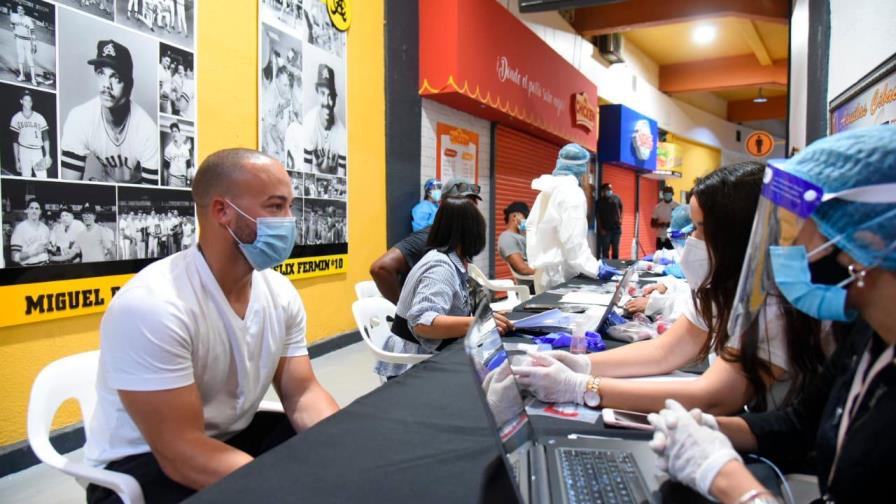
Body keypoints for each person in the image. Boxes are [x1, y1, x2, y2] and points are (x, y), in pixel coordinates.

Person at [648, 126, 896, 504]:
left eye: (796, 231)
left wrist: (725, 477)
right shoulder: (866, 334)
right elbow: (797, 425)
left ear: (865, 240)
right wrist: (706, 428)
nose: (783, 248)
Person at [84, 149, 339, 503]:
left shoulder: (279, 293)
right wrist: (279, 488)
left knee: (322, 450)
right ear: (223, 211)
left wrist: (344, 450)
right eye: (276, 206)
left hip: (224, 438)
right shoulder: (153, 305)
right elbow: (181, 451)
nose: (289, 221)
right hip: (143, 465)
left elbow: (303, 393)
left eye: (290, 207)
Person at [513, 162, 828, 415]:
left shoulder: (775, 304)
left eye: (700, 229)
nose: (691, 240)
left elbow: (716, 397)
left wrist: (582, 387)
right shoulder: (722, 288)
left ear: (737, 234)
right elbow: (665, 350)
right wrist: (584, 364)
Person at [375, 196, 513, 378]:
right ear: (473, 232)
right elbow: (422, 323)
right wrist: (477, 323)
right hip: (415, 365)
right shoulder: (441, 267)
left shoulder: (448, 260)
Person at [61, 40, 159, 185]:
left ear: (129, 85)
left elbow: (150, 194)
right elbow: (69, 188)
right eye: (101, 73)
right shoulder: (79, 119)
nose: (106, 85)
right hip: (109, 182)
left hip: (138, 189)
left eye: (116, 77)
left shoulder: (147, 130)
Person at [370, 178, 481, 304]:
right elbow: (380, 268)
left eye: (474, 204)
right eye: (465, 205)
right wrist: (402, 308)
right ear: (446, 206)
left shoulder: (462, 240)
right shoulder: (427, 238)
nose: (471, 212)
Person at [527, 143, 607, 293]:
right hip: (561, 276)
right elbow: (573, 242)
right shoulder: (572, 193)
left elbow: (531, 227)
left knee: (544, 308)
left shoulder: (546, 190)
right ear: (582, 168)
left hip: (543, 274)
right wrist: (596, 269)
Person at [303, 64, 346, 176]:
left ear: (335, 98)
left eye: (330, 95)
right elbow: (306, 173)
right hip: (313, 178)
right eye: (323, 93)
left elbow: (341, 177)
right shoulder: (309, 124)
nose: (327, 102)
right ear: (317, 93)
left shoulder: (342, 134)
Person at [11, 90, 51, 178]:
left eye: (30, 100)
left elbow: (46, 138)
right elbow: (15, 141)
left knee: (43, 177)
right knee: (26, 178)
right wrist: (17, 161)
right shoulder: (16, 118)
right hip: (24, 150)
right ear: (21, 101)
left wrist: (47, 155)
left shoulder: (39, 117)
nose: (28, 103)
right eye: (25, 100)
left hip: (37, 151)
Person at [498, 201, 535, 291]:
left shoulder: (522, 236)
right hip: (532, 285)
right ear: (515, 216)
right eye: (526, 217)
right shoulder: (507, 237)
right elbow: (522, 269)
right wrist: (545, 272)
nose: (527, 221)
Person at [10, 198, 50, 266]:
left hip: (45, 265)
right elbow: (14, 257)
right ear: (27, 210)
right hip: (28, 267)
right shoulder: (20, 228)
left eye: (37, 208)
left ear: (40, 211)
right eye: (31, 208)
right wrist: (34, 252)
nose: (34, 211)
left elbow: (46, 250)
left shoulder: (45, 228)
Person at [10, 5, 37, 86]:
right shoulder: (14, 17)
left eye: (22, 9)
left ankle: (33, 79)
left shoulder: (28, 20)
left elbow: (33, 33)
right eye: (18, 8)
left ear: (24, 11)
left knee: (30, 60)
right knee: (20, 58)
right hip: (19, 40)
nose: (20, 10)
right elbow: (12, 25)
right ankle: (22, 76)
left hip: (27, 41)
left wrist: (34, 44)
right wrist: (14, 33)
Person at [596, 182, 623, 259]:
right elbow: (597, 216)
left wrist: (621, 218)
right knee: (605, 251)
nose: (610, 190)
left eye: (611, 189)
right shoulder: (599, 202)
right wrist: (601, 229)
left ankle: (615, 265)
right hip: (606, 230)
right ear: (603, 190)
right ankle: (606, 265)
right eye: (608, 189)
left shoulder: (616, 198)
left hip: (616, 229)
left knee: (615, 250)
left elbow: (621, 208)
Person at [164, 122, 193, 187]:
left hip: (183, 180)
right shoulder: (168, 149)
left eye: (176, 131)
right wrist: (165, 186)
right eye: (172, 131)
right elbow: (165, 169)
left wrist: (188, 182)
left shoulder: (185, 149)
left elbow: (189, 167)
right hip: (173, 179)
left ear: (179, 133)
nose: (174, 133)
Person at [651, 186, 680, 250]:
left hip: (674, 238)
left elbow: (681, 222)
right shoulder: (658, 207)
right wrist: (662, 224)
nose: (667, 194)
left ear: (672, 193)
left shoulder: (678, 206)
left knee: (673, 255)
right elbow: (652, 223)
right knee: (660, 255)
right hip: (661, 237)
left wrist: (672, 224)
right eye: (665, 193)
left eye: (669, 192)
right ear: (663, 194)